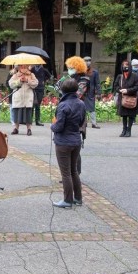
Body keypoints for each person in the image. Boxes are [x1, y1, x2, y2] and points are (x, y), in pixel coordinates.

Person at [51, 78, 87, 208]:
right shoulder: (81, 103)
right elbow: (82, 121)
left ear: (63, 90)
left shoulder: (63, 105)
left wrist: (52, 126)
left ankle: (67, 200)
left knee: (65, 173)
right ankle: (78, 198)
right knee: (74, 171)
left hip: (63, 143)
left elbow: (59, 126)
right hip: (76, 140)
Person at [114, 60, 138, 137]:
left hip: (132, 98)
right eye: (123, 65)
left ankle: (129, 130)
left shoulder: (134, 76)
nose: (125, 67)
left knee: (131, 115)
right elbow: (115, 86)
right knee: (124, 115)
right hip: (123, 99)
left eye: (126, 65)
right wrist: (120, 90)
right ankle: (124, 130)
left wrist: (127, 90)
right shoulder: (120, 76)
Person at [8, 65, 38, 135]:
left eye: (25, 66)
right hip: (18, 97)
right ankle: (16, 128)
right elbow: (11, 85)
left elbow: (35, 83)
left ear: (28, 67)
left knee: (28, 114)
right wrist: (19, 80)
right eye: (22, 67)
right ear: (19, 68)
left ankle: (29, 129)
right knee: (16, 113)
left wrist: (27, 80)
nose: (23, 68)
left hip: (28, 98)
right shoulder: (15, 75)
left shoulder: (31, 75)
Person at [82, 57, 101, 129]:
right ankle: (83, 122)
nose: (88, 62)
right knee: (82, 108)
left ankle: (94, 123)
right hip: (82, 92)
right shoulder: (80, 71)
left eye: (89, 60)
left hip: (90, 92)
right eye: (86, 61)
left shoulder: (94, 72)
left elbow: (97, 83)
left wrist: (99, 93)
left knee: (92, 108)